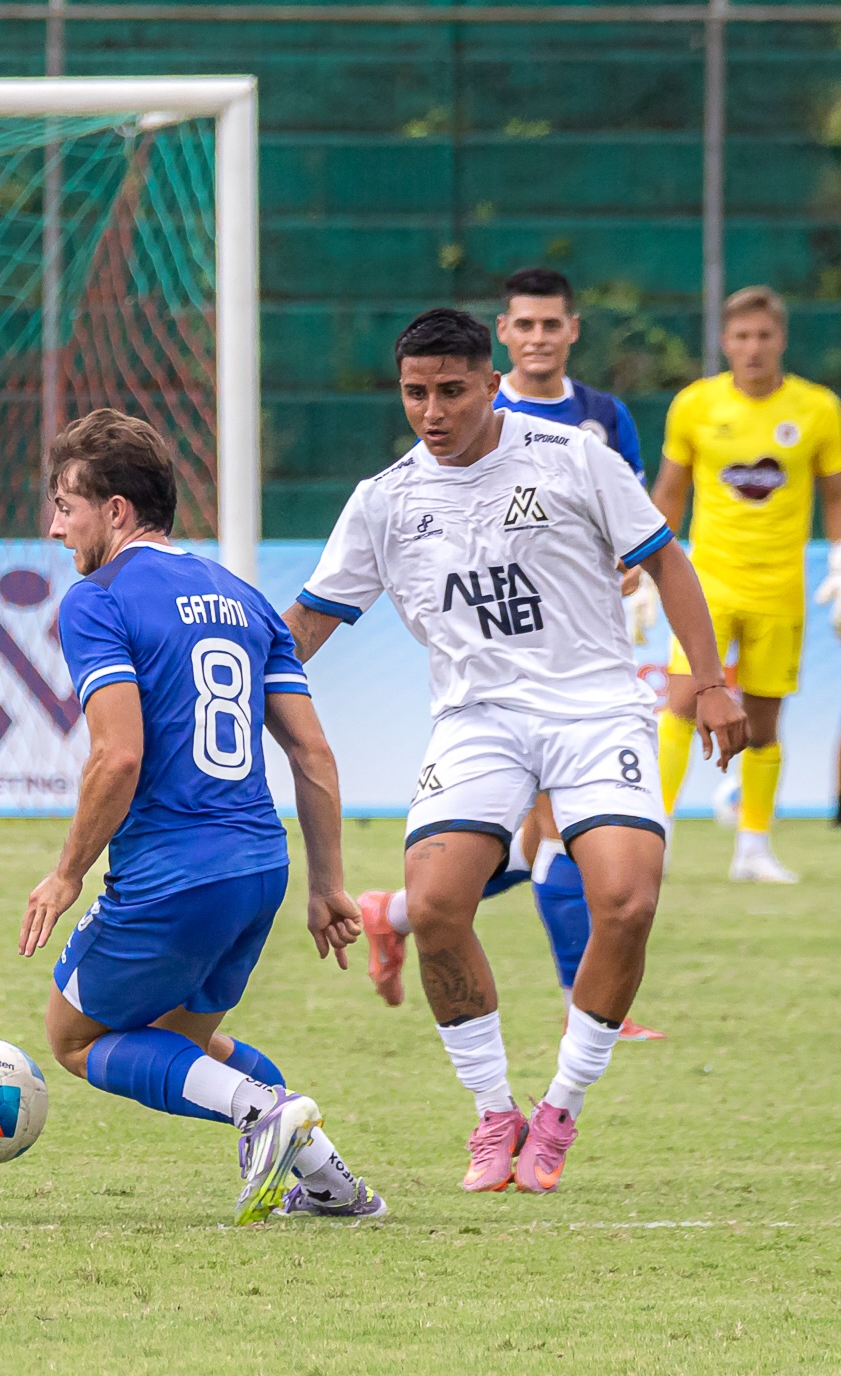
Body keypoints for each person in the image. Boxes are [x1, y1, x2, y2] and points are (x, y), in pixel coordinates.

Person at [282, 310, 747, 1195]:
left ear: (492, 384)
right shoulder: (385, 500)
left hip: (596, 710)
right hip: (478, 721)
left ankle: (560, 1110)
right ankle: (494, 1112)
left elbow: (666, 561)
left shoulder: (574, 457)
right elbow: (308, 621)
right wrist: (224, 677)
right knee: (436, 903)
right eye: (416, 393)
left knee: (627, 901)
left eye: (452, 391)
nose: (432, 412)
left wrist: (711, 681)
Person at [19, 407, 385, 1224]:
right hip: (258, 870)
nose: (55, 528)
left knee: (74, 1039)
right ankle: (329, 1184)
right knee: (179, 1040)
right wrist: (327, 885)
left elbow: (118, 757)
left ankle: (261, 1112)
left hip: (173, 874)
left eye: (66, 508)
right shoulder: (247, 601)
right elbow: (314, 755)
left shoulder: (96, 600)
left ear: (116, 510)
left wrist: (67, 874)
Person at [358, 268, 664, 1041]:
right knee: (553, 836)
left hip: (589, 649)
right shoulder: (465, 420)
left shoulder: (600, 421)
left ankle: (396, 913)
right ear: (504, 336)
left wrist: (632, 566)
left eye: (550, 324)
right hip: (506, 677)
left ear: (572, 331)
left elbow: (632, 519)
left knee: (546, 840)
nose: (537, 337)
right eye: (524, 324)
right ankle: (578, 1002)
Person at [649, 286, 841, 882]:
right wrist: (643, 567)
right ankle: (655, 833)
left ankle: (753, 847)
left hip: (780, 589)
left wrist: (840, 562)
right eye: (742, 336)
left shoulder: (818, 409)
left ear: (781, 339)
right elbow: (670, 492)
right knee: (682, 701)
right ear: (724, 342)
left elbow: (835, 495)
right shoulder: (695, 405)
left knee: (763, 723)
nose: (753, 347)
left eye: (763, 336)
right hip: (708, 583)